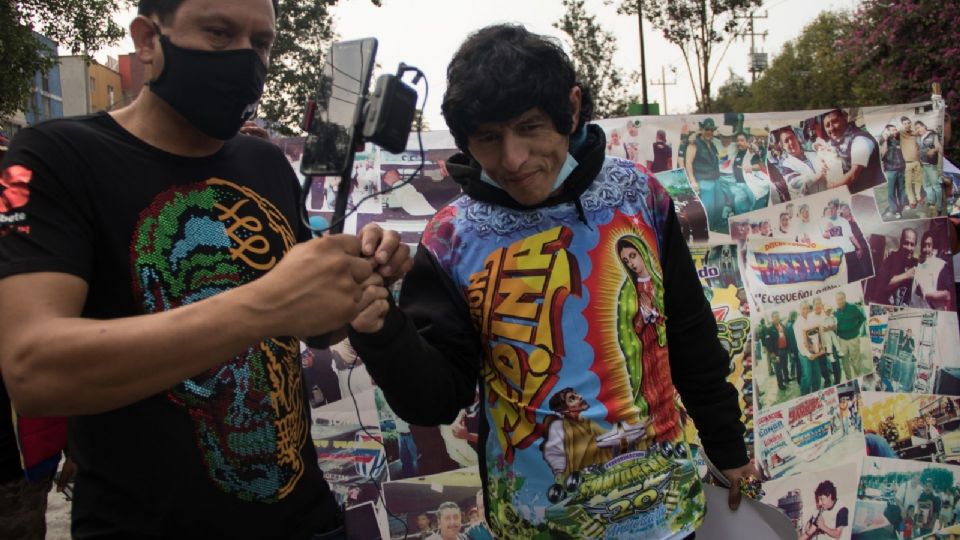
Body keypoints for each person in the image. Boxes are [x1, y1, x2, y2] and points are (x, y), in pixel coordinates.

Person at [0, 0, 414, 537]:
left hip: (306, 521)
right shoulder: (54, 155)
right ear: (148, 40)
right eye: (218, 33)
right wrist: (267, 304)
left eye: (260, 43)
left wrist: (358, 278)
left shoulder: (262, 163)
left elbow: (313, 328)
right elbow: (34, 371)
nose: (245, 60)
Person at [349, 24, 756, 539]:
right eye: (489, 138)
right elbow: (435, 400)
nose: (513, 158)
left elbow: (691, 336)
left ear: (572, 108)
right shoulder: (450, 238)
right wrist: (381, 328)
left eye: (530, 127)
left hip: (665, 511)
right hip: (539, 522)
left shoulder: (640, 196)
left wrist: (729, 451)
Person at [821, 108, 885, 194]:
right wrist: (822, 161)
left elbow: (853, 175)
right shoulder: (839, 139)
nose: (831, 128)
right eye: (827, 125)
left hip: (873, 192)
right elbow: (820, 145)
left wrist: (830, 188)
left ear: (845, 118)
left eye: (835, 121)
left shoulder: (860, 140)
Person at [820, 198, 868, 281]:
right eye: (829, 208)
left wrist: (859, 248)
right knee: (846, 279)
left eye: (833, 208)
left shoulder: (844, 221)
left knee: (858, 276)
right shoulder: (825, 221)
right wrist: (827, 228)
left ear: (836, 209)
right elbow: (825, 236)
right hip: (838, 255)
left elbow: (851, 236)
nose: (831, 210)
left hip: (850, 252)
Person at [869, 228, 919, 306]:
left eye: (912, 244)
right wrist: (906, 275)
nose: (909, 248)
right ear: (901, 241)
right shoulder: (891, 258)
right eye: (906, 243)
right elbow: (881, 286)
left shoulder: (915, 263)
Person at [776, 127, 827, 199]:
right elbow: (794, 183)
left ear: (796, 138)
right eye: (786, 141)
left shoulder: (812, 154)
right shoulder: (785, 165)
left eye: (792, 138)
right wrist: (816, 176)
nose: (791, 142)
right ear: (783, 146)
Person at [911, 229, 955, 310]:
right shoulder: (917, 264)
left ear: (933, 247)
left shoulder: (941, 265)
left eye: (929, 245)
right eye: (923, 245)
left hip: (930, 314)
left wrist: (924, 294)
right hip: (914, 309)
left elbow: (947, 295)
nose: (925, 249)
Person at [833, 291, 865, 381]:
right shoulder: (835, 313)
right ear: (836, 301)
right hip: (842, 340)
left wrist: (856, 329)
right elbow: (834, 328)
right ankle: (849, 379)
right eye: (837, 300)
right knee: (844, 362)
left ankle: (859, 378)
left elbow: (862, 318)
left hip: (853, 339)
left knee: (856, 361)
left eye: (841, 299)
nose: (839, 301)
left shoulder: (852, 307)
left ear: (845, 299)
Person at [795, 301, 826, 395]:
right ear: (800, 310)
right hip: (805, 354)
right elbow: (800, 343)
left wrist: (820, 349)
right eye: (803, 308)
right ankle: (804, 396)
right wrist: (809, 354)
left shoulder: (811, 319)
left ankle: (816, 394)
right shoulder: (797, 323)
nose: (806, 310)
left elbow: (817, 335)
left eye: (807, 308)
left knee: (817, 376)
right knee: (807, 377)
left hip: (814, 353)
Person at [879, 123, 907, 219]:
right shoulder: (883, 140)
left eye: (895, 129)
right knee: (891, 192)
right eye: (893, 130)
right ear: (888, 131)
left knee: (901, 189)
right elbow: (883, 151)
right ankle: (895, 211)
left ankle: (903, 204)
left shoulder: (898, 139)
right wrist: (885, 138)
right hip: (891, 170)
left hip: (901, 168)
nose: (895, 131)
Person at [915, 120, 942, 212]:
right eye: (916, 128)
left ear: (924, 126)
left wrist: (934, 151)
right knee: (926, 185)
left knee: (936, 186)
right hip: (922, 164)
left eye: (919, 127)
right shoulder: (918, 137)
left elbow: (938, 146)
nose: (918, 130)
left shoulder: (933, 135)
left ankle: (939, 205)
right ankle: (931, 202)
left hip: (931, 164)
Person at [899, 117, 924, 209]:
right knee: (908, 183)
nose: (907, 125)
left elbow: (919, 134)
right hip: (907, 163)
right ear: (902, 124)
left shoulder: (914, 133)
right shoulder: (900, 133)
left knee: (918, 180)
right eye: (905, 123)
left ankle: (918, 196)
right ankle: (912, 200)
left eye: (909, 123)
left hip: (917, 161)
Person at [760, 311, 789, 390]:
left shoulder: (781, 325)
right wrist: (772, 352)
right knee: (778, 369)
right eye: (775, 316)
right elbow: (768, 342)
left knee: (785, 366)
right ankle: (780, 384)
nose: (777, 318)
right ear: (772, 318)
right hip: (776, 352)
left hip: (784, 350)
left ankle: (786, 378)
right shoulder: (769, 328)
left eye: (778, 316)